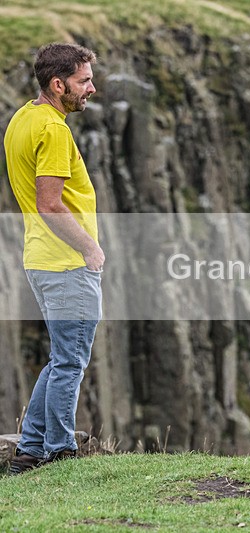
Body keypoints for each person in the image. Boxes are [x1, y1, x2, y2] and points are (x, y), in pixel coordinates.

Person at [4, 42, 104, 474]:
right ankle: (60, 450)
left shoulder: (23, 118)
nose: (92, 89)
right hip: (65, 264)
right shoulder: (54, 130)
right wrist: (90, 248)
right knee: (70, 360)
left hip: (40, 260)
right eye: (84, 81)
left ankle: (29, 450)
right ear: (58, 83)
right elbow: (50, 203)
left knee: (61, 356)